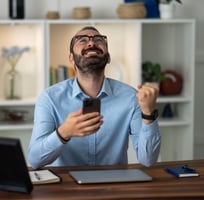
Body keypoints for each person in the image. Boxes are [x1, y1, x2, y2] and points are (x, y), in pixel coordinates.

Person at [28, 26, 161, 169]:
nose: (91, 43)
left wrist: (149, 114)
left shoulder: (130, 97)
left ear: (108, 57)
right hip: (66, 187)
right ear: (71, 59)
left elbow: (148, 160)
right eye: (82, 40)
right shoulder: (49, 98)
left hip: (114, 184)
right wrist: (64, 132)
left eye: (98, 40)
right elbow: (35, 160)